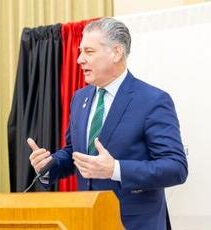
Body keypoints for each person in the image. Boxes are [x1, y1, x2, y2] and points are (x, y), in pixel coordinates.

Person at [28, 17, 188, 230]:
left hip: (134, 223)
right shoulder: (79, 98)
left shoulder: (152, 100)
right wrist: (49, 165)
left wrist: (116, 169)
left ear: (116, 52)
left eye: (89, 52)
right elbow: (73, 152)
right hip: (87, 221)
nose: (79, 60)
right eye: (80, 51)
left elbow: (175, 167)